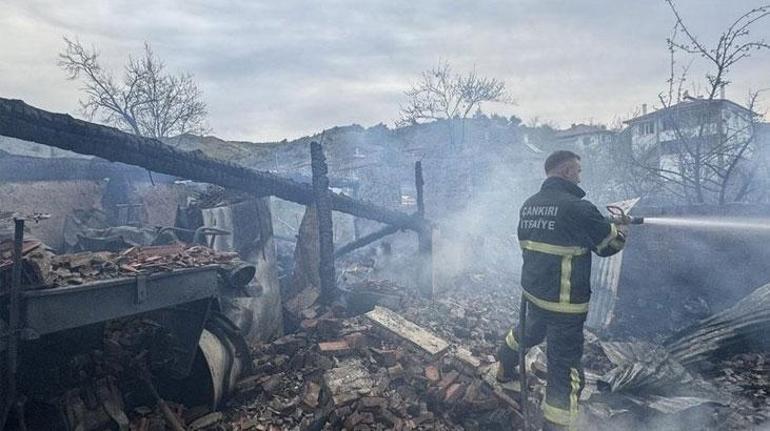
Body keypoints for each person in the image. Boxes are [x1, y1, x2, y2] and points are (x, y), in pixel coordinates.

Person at [497, 150, 627, 431]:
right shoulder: (579, 208)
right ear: (567, 171)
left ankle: (504, 364)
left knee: (529, 332)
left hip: (535, 294)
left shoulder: (529, 205)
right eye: (578, 171)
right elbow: (609, 246)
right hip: (565, 305)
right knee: (564, 368)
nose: (580, 176)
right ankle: (556, 425)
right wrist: (621, 228)